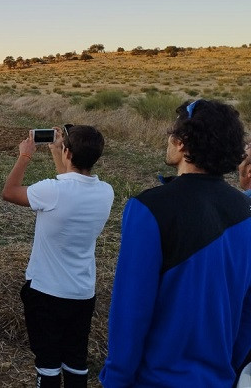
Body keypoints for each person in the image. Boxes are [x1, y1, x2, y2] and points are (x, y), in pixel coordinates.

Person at [99, 99, 251, 387]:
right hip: (218, 379)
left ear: (183, 143)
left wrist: (116, 379)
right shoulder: (245, 212)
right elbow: (248, 311)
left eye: (173, 133)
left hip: (156, 379)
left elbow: (131, 310)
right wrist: (227, 368)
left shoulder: (149, 208)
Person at [1, 125, 114, 387]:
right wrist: (58, 151)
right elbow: (72, 184)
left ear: (68, 152)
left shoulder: (49, 191)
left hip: (46, 294)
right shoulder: (106, 193)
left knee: (48, 366)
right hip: (82, 293)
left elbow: (9, 191)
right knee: (76, 363)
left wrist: (25, 155)